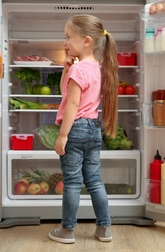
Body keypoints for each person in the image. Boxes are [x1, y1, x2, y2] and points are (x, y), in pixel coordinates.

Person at [48, 14, 119, 244]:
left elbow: (72, 103)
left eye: (68, 37)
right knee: (95, 181)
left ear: (87, 41)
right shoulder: (94, 68)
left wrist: (63, 135)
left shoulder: (79, 71)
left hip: (75, 129)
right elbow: (65, 93)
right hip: (93, 130)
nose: (64, 42)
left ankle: (68, 230)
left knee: (71, 182)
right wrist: (65, 69)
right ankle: (104, 228)